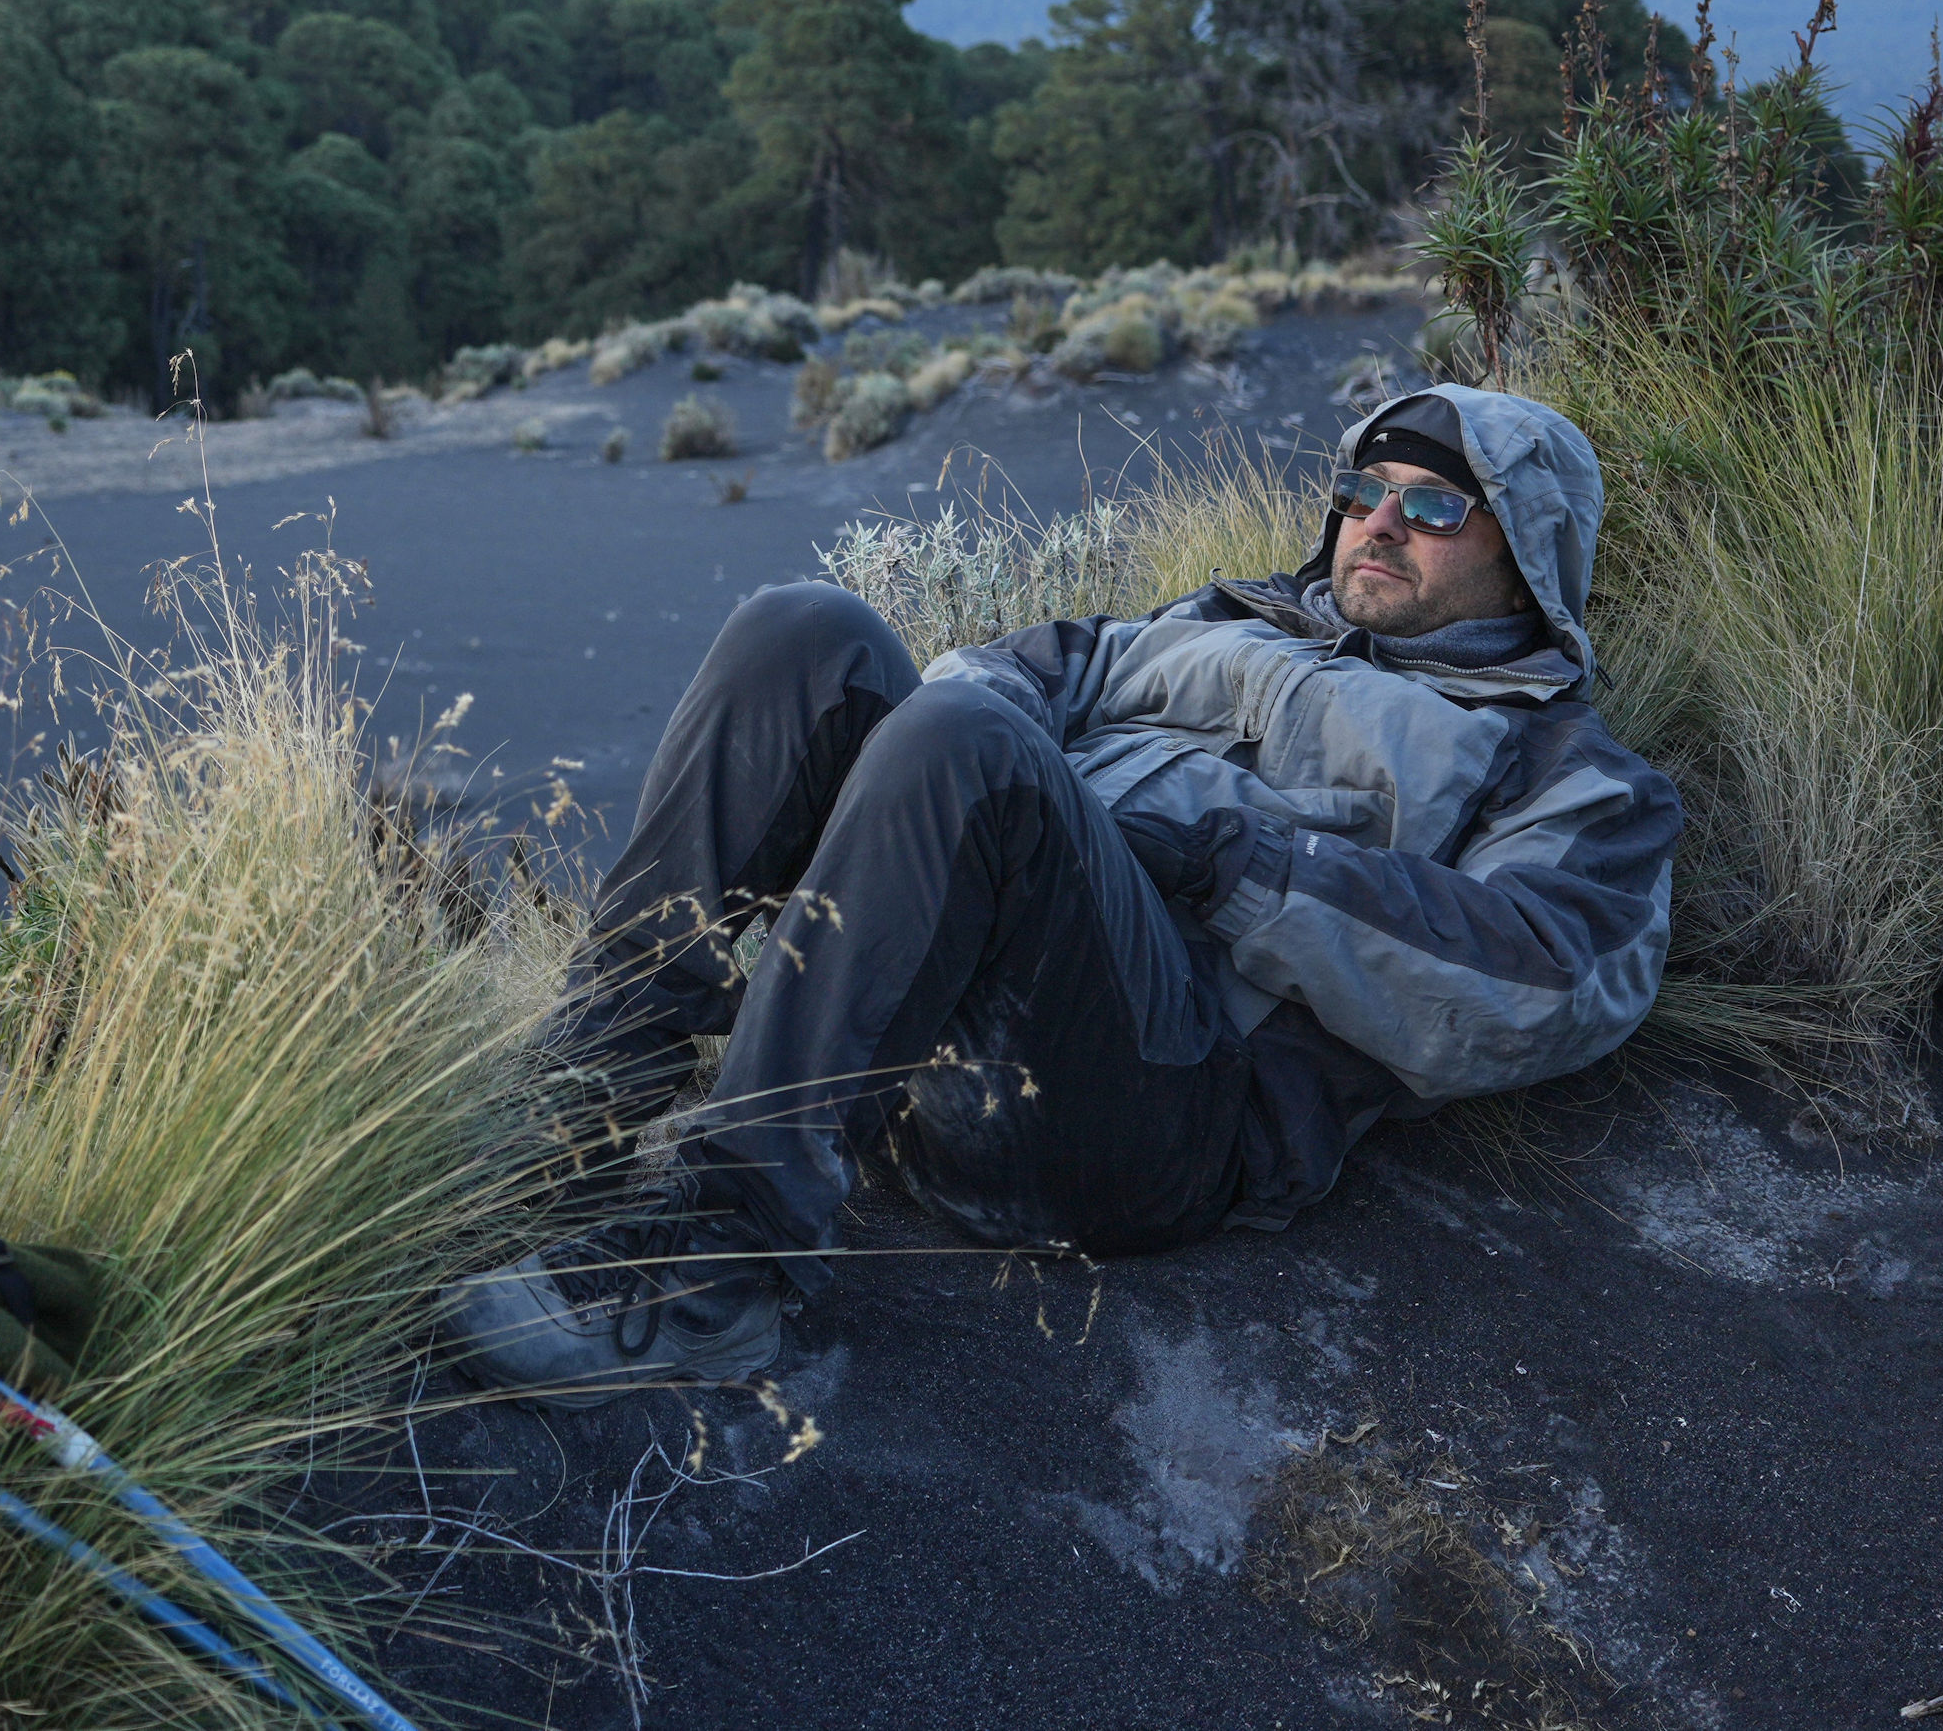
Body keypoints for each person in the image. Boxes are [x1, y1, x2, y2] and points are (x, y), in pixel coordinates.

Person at [442, 381, 1681, 1397]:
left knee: (967, 745)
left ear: (1525, 550)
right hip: (965, 1000)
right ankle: (579, 1107)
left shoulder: (1564, 768)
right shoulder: (1229, 621)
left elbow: (1548, 976)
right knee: (803, 633)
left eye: (1432, 503)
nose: (1379, 520)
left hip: (1153, 1103)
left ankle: (709, 1274)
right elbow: (1008, 670)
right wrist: (995, 785)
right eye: (1364, 488)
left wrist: (1221, 858)